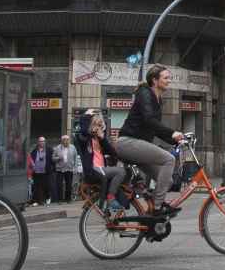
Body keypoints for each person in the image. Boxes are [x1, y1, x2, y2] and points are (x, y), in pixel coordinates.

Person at [116, 65, 184, 213]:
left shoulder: (157, 99)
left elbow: (154, 128)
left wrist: (176, 140)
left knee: (167, 180)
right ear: (155, 80)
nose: (169, 81)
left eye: (169, 78)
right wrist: (172, 132)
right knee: (169, 160)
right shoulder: (145, 93)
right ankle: (158, 207)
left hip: (138, 145)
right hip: (128, 142)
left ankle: (151, 210)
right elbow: (148, 120)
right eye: (166, 78)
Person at [78, 110, 128, 213]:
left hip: (102, 170)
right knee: (120, 172)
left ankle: (117, 216)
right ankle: (110, 199)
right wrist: (87, 115)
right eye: (96, 124)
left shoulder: (100, 140)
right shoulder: (86, 138)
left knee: (120, 190)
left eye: (101, 125)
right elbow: (83, 130)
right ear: (91, 125)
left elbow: (112, 152)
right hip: (93, 170)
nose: (98, 127)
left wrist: (103, 138)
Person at [29, 137, 54, 205]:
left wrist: (52, 168)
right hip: (36, 172)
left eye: (43, 141)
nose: (42, 143)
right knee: (37, 187)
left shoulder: (49, 150)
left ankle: (48, 198)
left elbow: (53, 160)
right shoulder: (34, 150)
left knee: (47, 186)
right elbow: (31, 159)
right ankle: (38, 201)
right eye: (40, 141)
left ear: (45, 142)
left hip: (46, 171)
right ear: (38, 142)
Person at [55, 134, 80, 202]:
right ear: (62, 141)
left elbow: (75, 158)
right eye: (64, 140)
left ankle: (68, 199)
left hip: (69, 169)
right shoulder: (57, 148)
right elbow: (53, 158)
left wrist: (75, 168)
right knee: (59, 185)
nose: (66, 141)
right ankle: (59, 199)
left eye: (67, 140)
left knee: (69, 185)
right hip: (60, 169)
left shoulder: (73, 147)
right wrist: (58, 158)